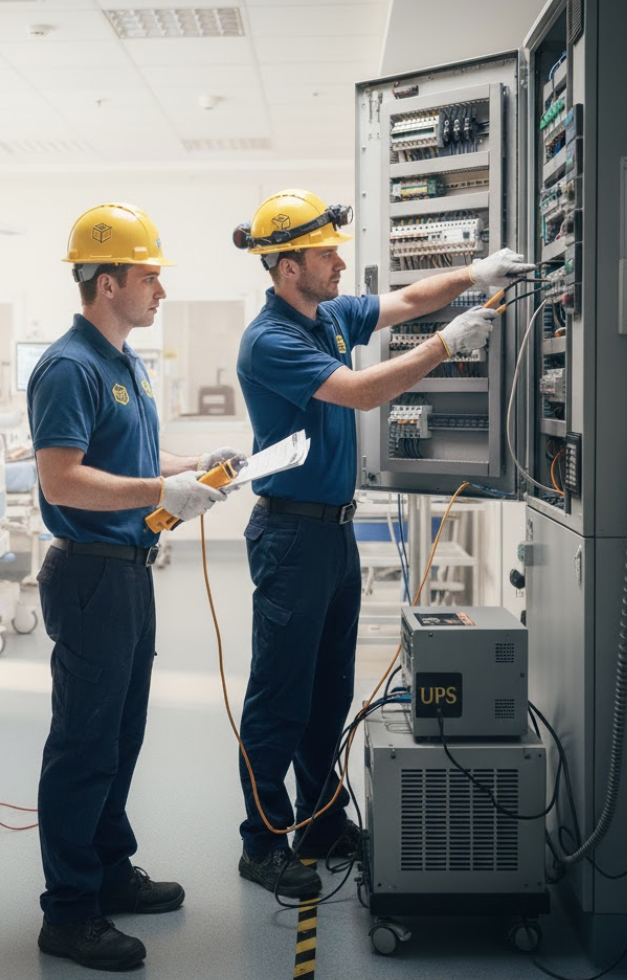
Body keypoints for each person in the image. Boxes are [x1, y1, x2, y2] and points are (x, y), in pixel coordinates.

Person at [231, 188, 534, 898]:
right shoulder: (271, 340)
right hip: (291, 536)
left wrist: (474, 274)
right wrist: (445, 345)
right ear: (286, 269)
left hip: (331, 537)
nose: (340, 260)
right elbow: (363, 392)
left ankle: (322, 822)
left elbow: (403, 299)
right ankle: (262, 841)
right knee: (279, 698)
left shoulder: (328, 314)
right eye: (324, 252)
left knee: (329, 690)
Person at [29, 201, 244, 972]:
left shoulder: (124, 364)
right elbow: (63, 481)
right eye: (150, 277)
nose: (161, 291)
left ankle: (109, 870)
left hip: (128, 574)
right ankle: (69, 912)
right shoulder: (69, 366)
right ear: (108, 280)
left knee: (121, 739)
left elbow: (125, 462)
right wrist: (160, 488)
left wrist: (189, 471)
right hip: (89, 576)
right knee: (84, 745)